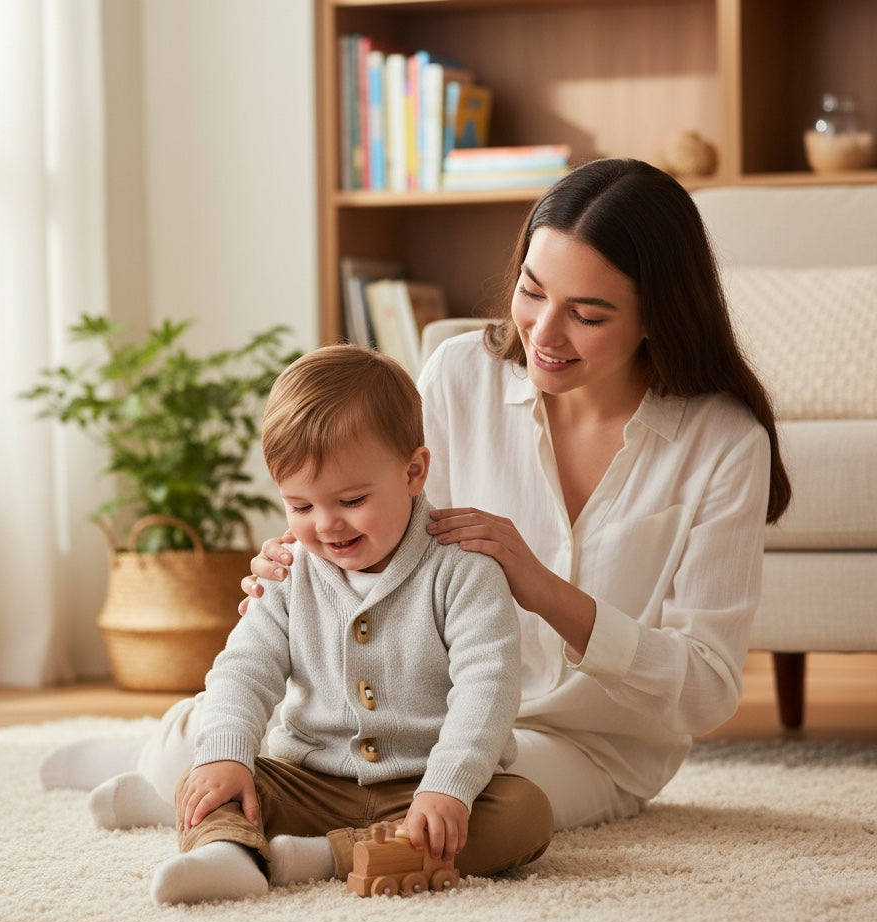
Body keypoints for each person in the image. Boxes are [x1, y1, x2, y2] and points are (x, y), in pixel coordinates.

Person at [242, 157, 792, 833]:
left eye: (587, 314)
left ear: (659, 316)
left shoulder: (723, 443)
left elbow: (707, 690)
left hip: (584, 746)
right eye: (532, 291)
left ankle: (296, 835)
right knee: (214, 735)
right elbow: (383, 542)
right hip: (427, 715)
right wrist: (306, 573)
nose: (544, 332)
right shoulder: (457, 374)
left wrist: (544, 589)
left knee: (485, 805)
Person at [44, 345, 552, 904]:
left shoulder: (463, 569)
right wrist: (227, 756)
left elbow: (489, 687)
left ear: (414, 472)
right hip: (308, 779)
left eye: (351, 500)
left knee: (524, 815)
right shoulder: (288, 570)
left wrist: (448, 788)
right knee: (213, 776)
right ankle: (227, 854)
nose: (326, 525)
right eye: (300, 506)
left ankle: (306, 857)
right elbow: (244, 669)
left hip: (421, 785)